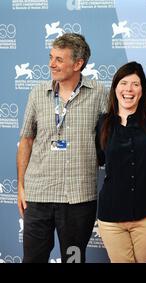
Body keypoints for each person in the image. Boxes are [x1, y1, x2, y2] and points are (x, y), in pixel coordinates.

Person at [16, 33, 108, 263]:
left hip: (78, 198)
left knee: (74, 260)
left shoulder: (99, 94)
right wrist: (20, 185)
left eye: (58, 59)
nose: (51, 64)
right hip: (38, 195)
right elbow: (26, 139)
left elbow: (112, 138)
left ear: (78, 64)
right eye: (51, 57)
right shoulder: (38, 92)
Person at [95, 61, 146, 263]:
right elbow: (101, 157)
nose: (129, 89)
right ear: (115, 88)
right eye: (124, 83)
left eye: (135, 84)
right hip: (111, 219)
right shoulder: (103, 123)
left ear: (142, 90)